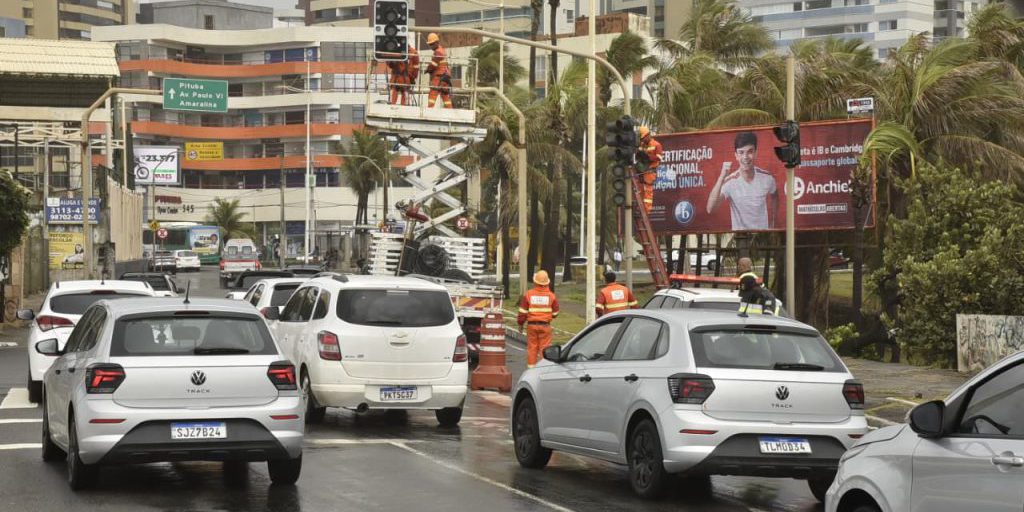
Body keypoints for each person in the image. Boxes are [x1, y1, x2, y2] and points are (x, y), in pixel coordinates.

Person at [706, 131, 779, 231]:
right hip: (740, 237)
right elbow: (710, 209)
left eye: (750, 151)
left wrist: (773, 221)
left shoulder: (767, 178)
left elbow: (775, 196)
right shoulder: (730, 181)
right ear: (736, 155)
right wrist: (721, 177)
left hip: (762, 236)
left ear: (756, 153)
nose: (745, 157)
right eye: (741, 152)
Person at [517, 270, 560, 368]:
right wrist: (548, 316)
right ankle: (542, 369)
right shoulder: (551, 296)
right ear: (547, 283)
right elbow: (556, 313)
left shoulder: (529, 294)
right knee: (544, 349)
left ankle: (531, 370)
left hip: (531, 326)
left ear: (535, 282)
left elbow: (522, 313)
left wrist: (520, 324)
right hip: (545, 326)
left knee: (532, 348)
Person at [636, 126, 663, 214]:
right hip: (642, 171)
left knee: (648, 192)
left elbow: (659, 158)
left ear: (648, 135)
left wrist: (648, 157)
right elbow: (638, 156)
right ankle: (640, 209)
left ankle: (646, 211)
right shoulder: (642, 145)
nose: (643, 140)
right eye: (641, 139)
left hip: (650, 171)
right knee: (640, 191)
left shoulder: (656, 145)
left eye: (643, 138)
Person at [425, 33, 453, 109]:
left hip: (438, 78)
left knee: (432, 94)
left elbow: (433, 65)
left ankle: (429, 111)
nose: (431, 46)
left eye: (432, 44)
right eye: (430, 44)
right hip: (445, 78)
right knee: (445, 96)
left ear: (437, 42)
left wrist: (427, 70)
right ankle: (450, 111)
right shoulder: (442, 50)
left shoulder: (438, 52)